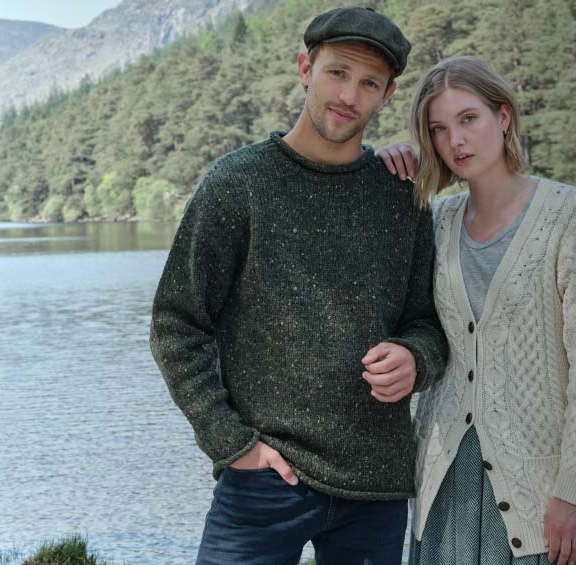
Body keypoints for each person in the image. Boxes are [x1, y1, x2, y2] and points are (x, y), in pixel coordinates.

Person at [149, 7, 444, 564]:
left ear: (387, 95)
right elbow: (177, 324)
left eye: (368, 83)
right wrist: (230, 443)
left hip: (375, 487)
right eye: (337, 73)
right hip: (263, 481)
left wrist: (414, 357)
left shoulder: (402, 196)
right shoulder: (238, 184)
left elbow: (427, 322)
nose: (349, 95)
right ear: (305, 68)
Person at [375, 55, 576, 565]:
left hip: (539, 485)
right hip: (445, 478)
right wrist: (380, 171)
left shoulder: (567, 212)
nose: (456, 141)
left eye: (469, 119)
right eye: (439, 129)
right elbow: (406, 318)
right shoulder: (436, 221)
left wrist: (574, 489)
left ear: (502, 117)